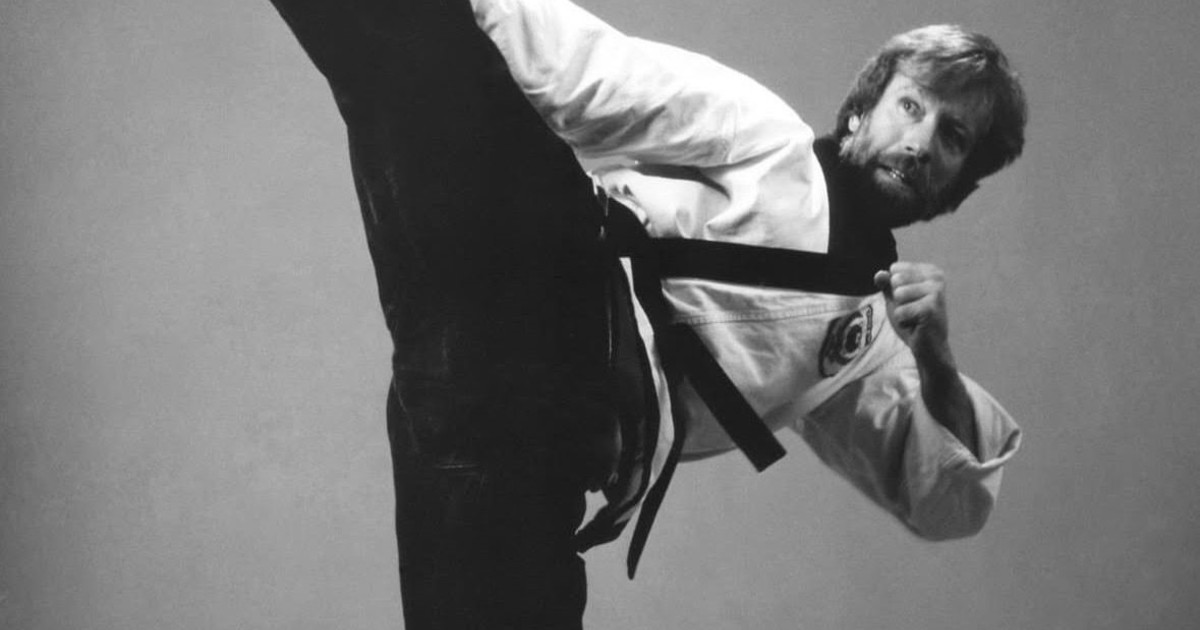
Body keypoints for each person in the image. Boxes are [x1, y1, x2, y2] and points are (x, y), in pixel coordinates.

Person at [265, 0, 1026, 628]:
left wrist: (935, 357)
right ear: (860, 112)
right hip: (550, 286)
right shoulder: (763, 133)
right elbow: (590, 71)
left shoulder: (871, 347)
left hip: (534, 434)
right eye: (911, 106)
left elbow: (949, 503)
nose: (921, 142)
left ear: (958, 186)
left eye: (952, 137)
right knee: (411, 49)